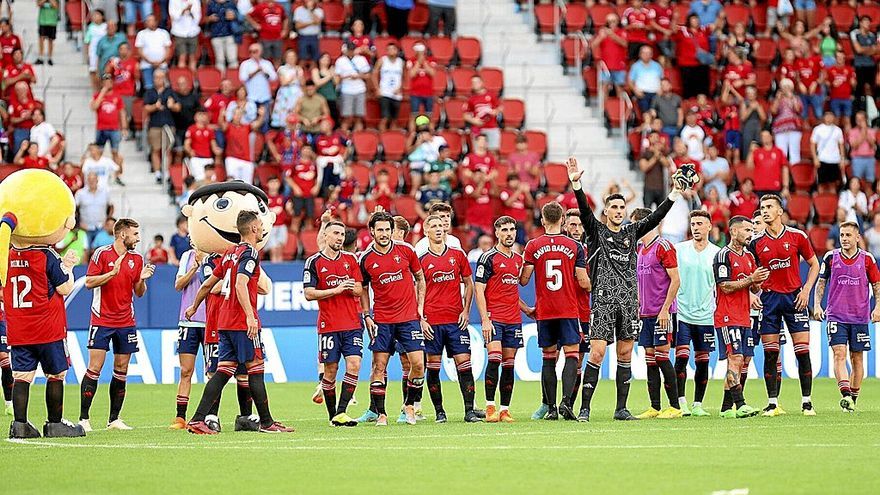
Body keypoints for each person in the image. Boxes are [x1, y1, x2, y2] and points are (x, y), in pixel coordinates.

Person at [566, 155, 690, 422]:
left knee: (624, 354)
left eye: (623, 207)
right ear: (607, 211)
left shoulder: (631, 233)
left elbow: (657, 216)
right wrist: (576, 185)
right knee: (597, 353)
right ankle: (585, 409)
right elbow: (585, 210)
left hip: (629, 302)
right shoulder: (596, 231)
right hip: (602, 301)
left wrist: (674, 194)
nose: (620, 211)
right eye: (615, 207)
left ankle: (621, 409)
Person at [184, 211, 291, 434]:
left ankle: (197, 419)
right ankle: (267, 422)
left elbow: (207, 285)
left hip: (224, 322)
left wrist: (194, 307)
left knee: (223, 371)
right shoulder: (250, 253)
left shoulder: (230, 253)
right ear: (253, 229)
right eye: (260, 225)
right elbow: (241, 284)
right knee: (256, 369)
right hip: (242, 323)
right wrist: (250, 316)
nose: (262, 228)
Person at [79, 218, 155, 432]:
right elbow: (88, 282)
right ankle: (84, 418)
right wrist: (111, 273)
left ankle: (114, 419)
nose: (138, 239)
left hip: (125, 321)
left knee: (121, 369)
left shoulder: (137, 258)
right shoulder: (102, 254)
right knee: (95, 368)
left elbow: (139, 293)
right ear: (123, 235)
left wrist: (142, 279)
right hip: (102, 318)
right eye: (135, 235)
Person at [4, 238, 83, 438]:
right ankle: (55, 424)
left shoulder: (5, 255)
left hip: (19, 327)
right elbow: (64, 288)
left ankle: (19, 425)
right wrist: (68, 267)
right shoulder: (45, 254)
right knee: (56, 375)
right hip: (48, 327)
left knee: (22, 376)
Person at [749, 195, 820, 416]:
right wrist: (752, 292)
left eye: (770, 207)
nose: (765, 211)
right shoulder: (755, 243)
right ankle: (772, 403)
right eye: (762, 208)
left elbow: (814, 264)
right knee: (771, 353)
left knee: (802, 352)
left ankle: (807, 402)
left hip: (794, 298)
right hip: (769, 301)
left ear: (780, 211)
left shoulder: (797, 236)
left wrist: (807, 290)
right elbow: (750, 276)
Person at [355, 211, 427, 426]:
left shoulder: (406, 251)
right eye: (380, 230)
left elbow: (420, 278)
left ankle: (409, 405)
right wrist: (367, 315)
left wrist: (420, 307)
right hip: (383, 320)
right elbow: (363, 288)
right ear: (372, 232)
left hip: (408, 319)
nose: (385, 234)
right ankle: (382, 414)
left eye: (387, 229)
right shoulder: (366, 258)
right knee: (379, 367)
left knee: (418, 365)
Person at [520, 201, 589, 421]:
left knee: (548, 358)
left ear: (542, 221)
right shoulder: (574, 246)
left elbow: (523, 280)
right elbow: (583, 281)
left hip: (545, 310)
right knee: (572, 355)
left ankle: (550, 408)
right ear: (562, 220)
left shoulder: (532, 246)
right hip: (568, 309)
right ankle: (566, 402)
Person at [813, 221, 880, 412]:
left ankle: (852, 401)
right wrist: (817, 305)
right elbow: (821, 283)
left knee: (857, 358)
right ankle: (846, 395)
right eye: (842, 235)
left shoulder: (867, 259)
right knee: (839, 354)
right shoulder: (830, 257)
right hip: (836, 316)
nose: (844, 239)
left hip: (859, 317)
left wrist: (878, 308)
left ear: (857, 237)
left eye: (848, 235)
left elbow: (877, 285)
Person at [303, 220, 363, 427]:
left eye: (342, 234)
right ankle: (333, 416)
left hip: (352, 323)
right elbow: (309, 294)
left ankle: (341, 411)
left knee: (354, 365)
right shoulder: (313, 262)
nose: (339, 237)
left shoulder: (351, 259)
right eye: (336, 233)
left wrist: (349, 287)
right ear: (325, 236)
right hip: (328, 325)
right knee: (330, 370)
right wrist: (336, 290)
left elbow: (358, 289)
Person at [419, 214, 479, 423]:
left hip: (456, 321)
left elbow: (469, 284)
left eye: (440, 226)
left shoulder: (457, 255)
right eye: (433, 226)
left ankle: (469, 411)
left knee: (464, 364)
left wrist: (465, 310)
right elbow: (416, 290)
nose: (438, 229)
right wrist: (421, 318)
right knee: (433, 367)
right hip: (432, 323)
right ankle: (439, 412)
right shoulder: (422, 261)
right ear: (426, 231)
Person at [475, 216, 532, 423]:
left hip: (513, 319)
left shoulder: (518, 260)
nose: (509, 233)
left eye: (512, 230)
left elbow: (510, 291)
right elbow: (479, 290)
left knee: (509, 364)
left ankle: (504, 409)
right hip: (494, 318)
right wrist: (485, 320)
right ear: (496, 233)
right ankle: (490, 408)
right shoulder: (488, 258)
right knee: (495, 358)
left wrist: (526, 310)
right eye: (504, 230)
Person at [666, 211, 719, 417]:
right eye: (693, 223)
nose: (696, 227)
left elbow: (722, 285)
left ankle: (698, 404)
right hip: (682, 313)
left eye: (700, 223)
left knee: (702, 361)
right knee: (681, 358)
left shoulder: (717, 253)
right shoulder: (679, 250)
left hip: (706, 315)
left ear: (709, 226)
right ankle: (681, 403)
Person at [714, 216, 768, 419]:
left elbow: (754, 286)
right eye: (746, 230)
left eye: (751, 231)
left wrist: (758, 282)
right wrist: (750, 280)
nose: (750, 234)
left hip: (745, 316)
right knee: (735, 358)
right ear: (734, 232)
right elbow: (725, 286)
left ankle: (726, 409)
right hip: (727, 316)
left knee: (743, 360)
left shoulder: (749, 257)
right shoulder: (723, 255)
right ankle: (741, 404)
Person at [169, 247, 208, 429]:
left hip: (211, 321)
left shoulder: (218, 254)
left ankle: (209, 416)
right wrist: (194, 267)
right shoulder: (187, 256)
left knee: (212, 373)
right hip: (188, 322)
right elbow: (178, 285)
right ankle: (180, 417)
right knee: (186, 371)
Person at [143, 69, 176, 182]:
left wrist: (172, 106)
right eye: (156, 77)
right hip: (155, 125)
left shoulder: (170, 91)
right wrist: (155, 107)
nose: (159, 80)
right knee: (155, 149)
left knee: (168, 149)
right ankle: (157, 173)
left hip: (168, 124)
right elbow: (146, 108)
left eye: (161, 77)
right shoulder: (149, 92)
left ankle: (166, 172)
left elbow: (178, 107)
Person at [91, 74, 126, 179]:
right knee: (99, 151)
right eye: (105, 81)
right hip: (101, 128)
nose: (107, 83)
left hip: (114, 128)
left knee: (115, 151)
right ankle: (101, 174)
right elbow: (94, 107)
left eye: (109, 81)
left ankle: (117, 175)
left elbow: (122, 112)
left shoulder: (117, 97)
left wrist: (124, 127)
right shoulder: (98, 96)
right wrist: (103, 92)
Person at [238, 43, 277, 131]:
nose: (253, 54)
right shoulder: (245, 64)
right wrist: (256, 71)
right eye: (250, 52)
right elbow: (242, 78)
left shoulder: (267, 63)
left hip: (265, 97)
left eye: (255, 51)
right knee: (251, 122)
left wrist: (264, 72)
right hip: (251, 98)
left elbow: (274, 77)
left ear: (260, 52)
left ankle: (263, 143)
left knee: (265, 121)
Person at [335, 42, 371, 132]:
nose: (351, 52)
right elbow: (337, 78)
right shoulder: (340, 61)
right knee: (347, 117)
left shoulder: (362, 59)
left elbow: (367, 75)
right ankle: (345, 138)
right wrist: (348, 76)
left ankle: (357, 137)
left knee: (359, 117)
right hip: (346, 90)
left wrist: (358, 76)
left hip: (360, 90)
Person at [223, 107, 263, 184]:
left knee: (247, 185)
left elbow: (257, 124)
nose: (238, 116)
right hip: (232, 158)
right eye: (236, 114)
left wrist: (261, 115)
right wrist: (222, 116)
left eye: (240, 114)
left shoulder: (246, 127)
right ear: (232, 115)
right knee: (232, 184)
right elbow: (222, 125)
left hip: (246, 159)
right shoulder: (229, 126)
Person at [591, 13, 628, 97]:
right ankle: (603, 109)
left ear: (618, 21)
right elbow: (593, 45)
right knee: (604, 88)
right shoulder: (602, 32)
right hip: (605, 65)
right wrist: (600, 37)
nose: (612, 23)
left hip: (619, 65)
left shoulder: (622, 31)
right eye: (609, 21)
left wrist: (612, 35)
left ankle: (619, 109)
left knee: (620, 89)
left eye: (613, 21)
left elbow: (625, 44)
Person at [464, 76, 502, 151]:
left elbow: (500, 107)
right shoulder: (471, 99)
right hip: (478, 129)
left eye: (476, 82)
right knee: (479, 152)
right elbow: (465, 115)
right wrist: (474, 121)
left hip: (491, 127)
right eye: (473, 83)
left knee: (493, 151)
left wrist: (495, 112)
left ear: (482, 83)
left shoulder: (491, 95)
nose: (475, 84)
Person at [134, 15, 172, 91]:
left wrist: (161, 61)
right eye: (147, 21)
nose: (149, 22)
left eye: (151, 20)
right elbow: (139, 50)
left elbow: (168, 49)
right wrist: (150, 61)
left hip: (161, 65)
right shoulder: (141, 34)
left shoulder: (163, 33)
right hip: (146, 65)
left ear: (156, 21)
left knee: (163, 88)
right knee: (149, 88)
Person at [810, 110, 846, 189]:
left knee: (833, 184)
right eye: (827, 115)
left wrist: (842, 159)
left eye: (831, 115)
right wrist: (815, 158)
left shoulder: (838, 130)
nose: (829, 118)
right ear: (824, 117)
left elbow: (841, 146)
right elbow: (813, 145)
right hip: (822, 159)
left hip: (834, 160)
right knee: (821, 184)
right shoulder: (817, 129)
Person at [748, 130, 790, 197]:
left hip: (775, 188)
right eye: (763, 136)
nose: (765, 138)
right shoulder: (757, 152)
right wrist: (751, 152)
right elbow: (749, 167)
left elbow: (785, 170)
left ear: (771, 137)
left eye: (767, 136)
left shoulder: (779, 152)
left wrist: (785, 187)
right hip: (759, 189)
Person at [373, 42, 404, 132]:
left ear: (397, 51)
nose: (391, 51)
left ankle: (392, 140)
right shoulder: (382, 60)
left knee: (394, 119)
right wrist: (377, 88)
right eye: (389, 49)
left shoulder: (401, 62)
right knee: (385, 118)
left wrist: (400, 87)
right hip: (385, 92)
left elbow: (405, 77)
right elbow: (374, 74)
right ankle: (382, 137)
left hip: (396, 93)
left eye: (393, 49)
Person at [771, 78, 803, 163]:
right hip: (780, 128)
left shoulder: (796, 98)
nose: (786, 89)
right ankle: (782, 173)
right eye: (784, 87)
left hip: (794, 128)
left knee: (795, 153)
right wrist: (777, 99)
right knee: (781, 152)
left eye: (788, 87)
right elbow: (773, 111)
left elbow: (798, 110)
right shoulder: (778, 99)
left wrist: (792, 98)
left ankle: (795, 172)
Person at [271, 50, 304, 129]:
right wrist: (294, 76)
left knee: (295, 110)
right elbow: (283, 82)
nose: (291, 59)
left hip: (297, 92)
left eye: (293, 57)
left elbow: (302, 83)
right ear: (285, 58)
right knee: (284, 112)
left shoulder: (299, 69)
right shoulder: (282, 69)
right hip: (285, 93)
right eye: (289, 57)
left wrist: (300, 76)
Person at [184, 109, 220, 182]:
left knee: (212, 180)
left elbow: (214, 146)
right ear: (195, 117)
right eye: (200, 114)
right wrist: (190, 151)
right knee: (199, 179)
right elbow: (186, 144)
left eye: (204, 114)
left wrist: (218, 152)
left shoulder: (210, 130)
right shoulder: (191, 129)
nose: (202, 117)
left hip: (208, 158)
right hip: (196, 158)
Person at [205, 0, 240, 71]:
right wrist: (210, 18)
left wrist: (233, 15)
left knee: (232, 59)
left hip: (230, 34)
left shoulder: (230, 3)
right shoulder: (211, 4)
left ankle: (233, 78)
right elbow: (205, 19)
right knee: (220, 60)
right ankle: (220, 80)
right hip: (216, 35)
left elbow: (239, 16)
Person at [628, 45, 663, 113]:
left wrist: (661, 89)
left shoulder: (657, 66)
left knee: (657, 113)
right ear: (640, 54)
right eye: (644, 53)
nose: (646, 55)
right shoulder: (635, 66)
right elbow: (630, 81)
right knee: (646, 113)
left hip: (656, 94)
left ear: (651, 55)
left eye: (648, 53)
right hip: (642, 94)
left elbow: (662, 80)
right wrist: (635, 91)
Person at [407, 43, 436, 124]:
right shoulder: (411, 61)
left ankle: (430, 133)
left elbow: (432, 73)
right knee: (414, 115)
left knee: (429, 115)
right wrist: (418, 62)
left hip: (428, 93)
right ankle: (412, 133)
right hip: (415, 93)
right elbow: (412, 74)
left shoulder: (431, 60)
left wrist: (424, 62)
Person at [169, 0, 201, 72]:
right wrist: (183, 10)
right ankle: (182, 75)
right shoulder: (173, 1)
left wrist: (190, 11)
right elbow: (174, 16)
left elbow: (197, 18)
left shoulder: (195, 1)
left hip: (193, 32)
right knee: (182, 57)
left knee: (192, 57)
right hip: (179, 32)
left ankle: (193, 79)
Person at [826, 51, 856, 127]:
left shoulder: (849, 69)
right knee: (836, 119)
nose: (840, 59)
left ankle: (849, 138)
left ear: (844, 58)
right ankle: (836, 138)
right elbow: (826, 82)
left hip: (846, 98)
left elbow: (854, 84)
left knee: (847, 119)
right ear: (835, 58)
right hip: (835, 97)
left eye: (841, 57)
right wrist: (832, 83)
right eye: (838, 57)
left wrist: (853, 83)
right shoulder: (830, 70)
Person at [851, 15, 878, 97]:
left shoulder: (872, 35)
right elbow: (858, 50)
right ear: (860, 23)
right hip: (860, 65)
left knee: (872, 89)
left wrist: (864, 49)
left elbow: (877, 50)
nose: (868, 23)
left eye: (869, 21)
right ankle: (858, 107)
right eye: (866, 21)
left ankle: (872, 107)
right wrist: (871, 49)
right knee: (860, 88)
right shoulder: (854, 33)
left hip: (871, 65)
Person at [264, 176, 289, 263]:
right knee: (273, 249)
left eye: (276, 182)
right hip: (271, 227)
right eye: (272, 182)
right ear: (267, 184)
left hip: (281, 226)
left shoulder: (283, 198)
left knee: (279, 249)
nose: (274, 185)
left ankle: (280, 270)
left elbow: (288, 212)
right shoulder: (264, 199)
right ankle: (273, 268)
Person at [849, 111, 877, 182]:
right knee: (856, 181)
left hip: (870, 159)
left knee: (870, 181)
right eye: (857, 119)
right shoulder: (852, 131)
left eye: (861, 119)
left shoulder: (872, 131)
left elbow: (872, 144)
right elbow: (854, 145)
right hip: (857, 159)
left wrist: (865, 130)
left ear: (866, 120)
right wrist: (862, 132)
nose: (859, 121)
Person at [312, 53, 339, 124]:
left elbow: (336, 82)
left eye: (327, 59)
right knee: (321, 116)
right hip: (320, 97)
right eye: (323, 58)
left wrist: (333, 74)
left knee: (333, 117)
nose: (325, 60)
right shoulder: (316, 70)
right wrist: (330, 75)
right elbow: (317, 83)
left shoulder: (332, 70)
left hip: (331, 97)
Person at [36, 0, 59, 65]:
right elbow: (38, 4)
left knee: (51, 40)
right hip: (42, 21)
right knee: (41, 39)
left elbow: (56, 5)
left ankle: (50, 57)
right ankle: (40, 57)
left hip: (52, 21)